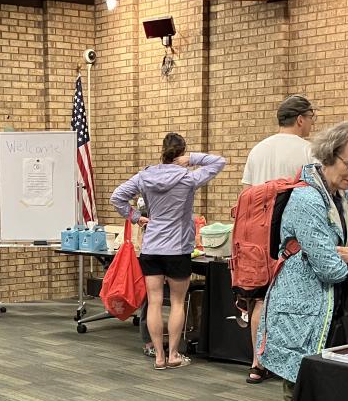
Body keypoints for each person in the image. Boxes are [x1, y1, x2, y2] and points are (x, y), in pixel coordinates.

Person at [258, 122, 348, 401]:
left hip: (325, 314)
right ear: (329, 155)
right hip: (300, 315)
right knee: (295, 396)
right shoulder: (308, 200)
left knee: (318, 396)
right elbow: (330, 269)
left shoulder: (343, 197)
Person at [111, 134, 226, 370]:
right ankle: (173, 355)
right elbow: (218, 162)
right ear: (181, 152)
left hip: (152, 248)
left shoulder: (144, 176)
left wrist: (136, 218)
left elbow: (117, 197)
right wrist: (191, 159)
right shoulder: (188, 178)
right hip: (178, 249)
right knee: (176, 302)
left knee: (153, 302)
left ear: (162, 151)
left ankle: (158, 358)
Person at [241, 95, 317, 384]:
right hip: (293, 237)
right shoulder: (310, 151)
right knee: (293, 299)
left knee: (259, 297)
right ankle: (289, 363)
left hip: (257, 235)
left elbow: (245, 196)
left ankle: (257, 363)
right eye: (311, 117)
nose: (312, 123)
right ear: (300, 119)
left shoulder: (258, 150)